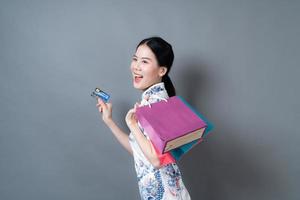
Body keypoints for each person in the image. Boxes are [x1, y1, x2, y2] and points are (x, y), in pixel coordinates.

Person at [96, 37, 191, 200]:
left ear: (162, 71)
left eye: (145, 62)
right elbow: (140, 152)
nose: (136, 67)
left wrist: (132, 124)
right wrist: (109, 121)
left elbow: (156, 160)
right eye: (135, 59)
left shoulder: (158, 104)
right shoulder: (150, 102)